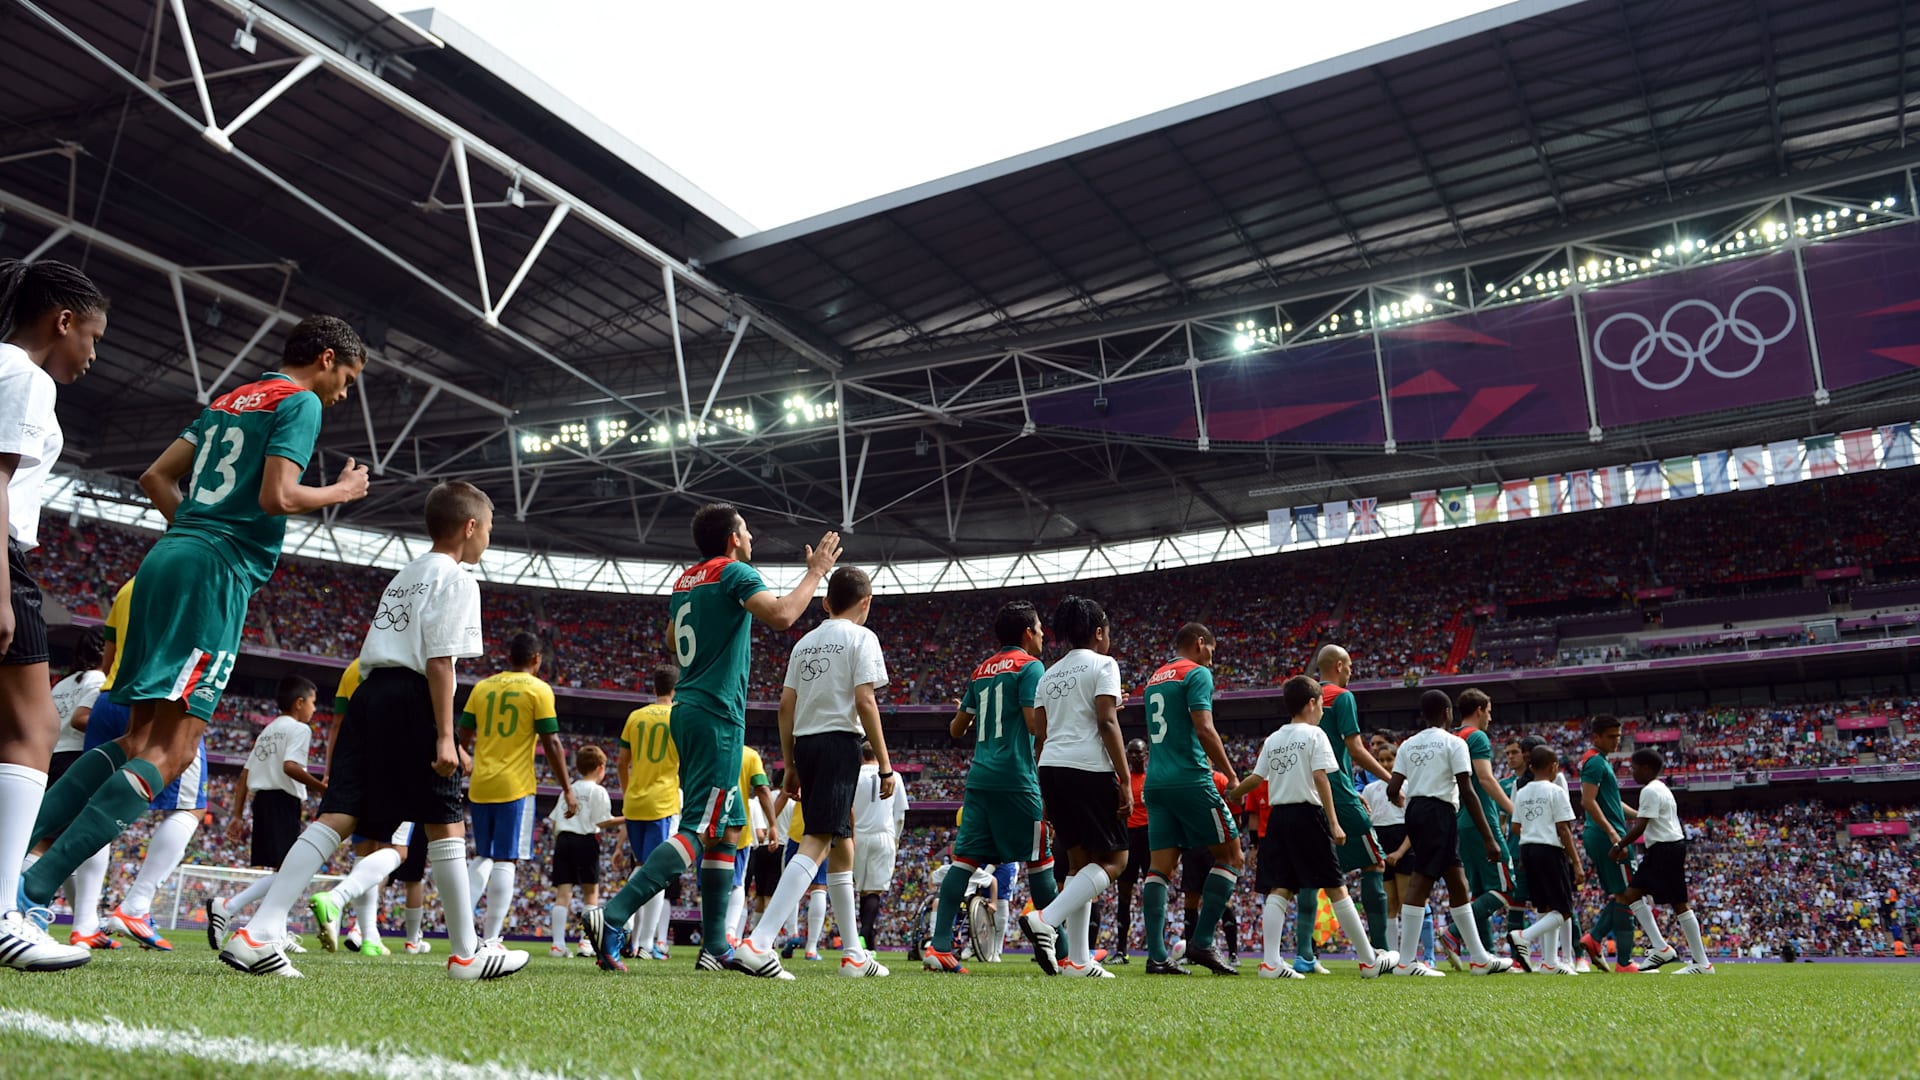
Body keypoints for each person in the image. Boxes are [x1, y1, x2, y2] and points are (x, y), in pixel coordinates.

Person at [21, 315, 367, 947]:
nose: (343, 394)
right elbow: (278, 498)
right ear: (325, 359)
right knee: (174, 751)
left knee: (136, 740)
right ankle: (32, 891)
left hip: (165, 558)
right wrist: (341, 490)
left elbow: (155, 477)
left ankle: (10, 866)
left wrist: (196, 530)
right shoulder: (300, 404)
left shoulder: (231, 398)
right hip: (211, 576)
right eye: (346, 379)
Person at [222, 481, 520, 980]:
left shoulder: (405, 574)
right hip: (412, 696)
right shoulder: (458, 578)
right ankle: (467, 954)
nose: (488, 538)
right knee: (444, 816)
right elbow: (441, 662)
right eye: (489, 528)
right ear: (470, 528)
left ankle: (259, 930)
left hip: (368, 693)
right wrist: (446, 736)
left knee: (339, 811)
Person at [584, 504, 841, 976]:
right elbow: (783, 616)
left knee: (727, 828)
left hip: (688, 707)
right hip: (716, 713)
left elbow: (669, 638)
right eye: (745, 530)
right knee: (702, 828)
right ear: (732, 540)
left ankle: (716, 946)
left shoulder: (686, 579)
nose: (750, 538)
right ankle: (613, 915)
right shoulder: (734, 572)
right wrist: (816, 573)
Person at [0, 258, 109, 971]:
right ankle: (4, 913)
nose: (93, 356)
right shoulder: (27, 376)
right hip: (2, 556)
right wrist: (2, 591)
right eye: (92, 338)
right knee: (33, 728)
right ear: (61, 321)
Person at [740, 566, 893, 979]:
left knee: (843, 844)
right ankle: (759, 941)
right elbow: (865, 700)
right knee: (818, 840)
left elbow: (785, 706)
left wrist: (790, 763)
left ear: (825, 602)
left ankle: (853, 955)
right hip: (839, 742)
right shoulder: (863, 638)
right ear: (866, 602)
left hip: (806, 743)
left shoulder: (804, 643)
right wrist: (885, 764)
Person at [1231, 675, 1397, 980]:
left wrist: (1233, 793)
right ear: (1311, 703)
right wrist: (1334, 822)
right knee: (1336, 886)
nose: (1322, 710)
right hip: (1309, 815)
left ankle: (1270, 962)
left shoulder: (1274, 738)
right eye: (1321, 704)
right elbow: (1322, 779)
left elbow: (1256, 779)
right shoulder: (1316, 735)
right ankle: (1369, 960)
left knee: (1278, 889)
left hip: (1279, 819)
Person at [924, 600, 1058, 974]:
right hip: (1016, 778)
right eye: (1040, 627)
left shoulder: (981, 671)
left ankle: (939, 948)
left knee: (963, 862)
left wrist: (977, 713)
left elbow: (955, 729)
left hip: (979, 778)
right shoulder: (1031, 667)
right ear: (1027, 633)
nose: (1044, 634)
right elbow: (1034, 725)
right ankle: (1063, 951)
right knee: (1039, 862)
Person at [1020, 596, 1130, 979]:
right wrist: (1127, 779)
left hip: (1051, 768)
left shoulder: (1048, 674)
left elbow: (1041, 735)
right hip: (1088, 768)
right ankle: (1046, 919)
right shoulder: (1105, 665)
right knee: (1116, 861)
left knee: (1080, 864)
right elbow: (1106, 723)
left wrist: (1043, 790)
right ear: (1099, 632)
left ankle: (1079, 961)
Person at [450, 631, 574, 948]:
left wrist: (461, 759)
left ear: (509, 658)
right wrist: (567, 789)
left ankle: (461, 927)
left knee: (483, 856)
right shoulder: (539, 690)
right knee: (507, 860)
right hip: (514, 787)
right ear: (536, 659)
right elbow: (552, 742)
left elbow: (461, 736)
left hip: (479, 784)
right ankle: (492, 938)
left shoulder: (483, 687)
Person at [1384, 690, 1513, 976]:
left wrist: (1407, 801)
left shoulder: (1408, 744)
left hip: (1416, 810)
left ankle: (1479, 957)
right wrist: (1489, 838)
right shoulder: (1454, 743)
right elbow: (1467, 791)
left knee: (1458, 883)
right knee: (1421, 881)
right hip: (1439, 812)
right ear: (1447, 712)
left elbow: (1392, 789)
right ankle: (1406, 962)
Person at [1138, 623, 1243, 976]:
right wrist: (1230, 773)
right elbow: (1204, 727)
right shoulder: (1196, 673)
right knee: (1231, 856)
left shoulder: (1155, 677)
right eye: (1212, 649)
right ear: (1200, 644)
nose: (1213, 658)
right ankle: (1201, 942)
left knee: (1159, 869)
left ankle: (1156, 956)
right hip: (1191, 780)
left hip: (1155, 783)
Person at [1294, 644, 1393, 974]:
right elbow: (1355, 748)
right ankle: (1381, 950)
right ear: (1338, 665)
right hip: (1336, 789)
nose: (1351, 671)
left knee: (1311, 875)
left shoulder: (1304, 696)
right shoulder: (1342, 696)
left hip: (1305, 792)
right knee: (1375, 862)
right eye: (1349, 665)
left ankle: (1304, 956)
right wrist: (1391, 779)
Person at [210, 675, 327, 948]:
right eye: (313, 702)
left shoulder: (269, 729)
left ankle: (277, 932)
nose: (314, 709)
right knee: (289, 871)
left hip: (262, 799)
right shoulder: (300, 729)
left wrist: (237, 815)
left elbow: (244, 775)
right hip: (282, 800)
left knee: (284, 869)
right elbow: (291, 767)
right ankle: (228, 906)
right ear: (299, 703)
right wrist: (321, 788)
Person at [1613, 749, 1713, 975]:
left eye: (1635, 767)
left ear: (1646, 768)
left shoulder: (1649, 790)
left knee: (1639, 896)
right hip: (1671, 847)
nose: (1633, 772)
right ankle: (1691, 958)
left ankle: (1680, 954)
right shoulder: (1661, 789)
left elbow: (1641, 825)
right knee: (1670, 901)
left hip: (1663, 849)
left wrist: (1619, 845)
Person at [1443, 689, 1517, 966]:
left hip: (1459, 821)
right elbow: (1485, 779)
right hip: (1481, 819)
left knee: (1479, 892)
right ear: (1480, 709)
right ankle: (1452, 932)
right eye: (1489, 710)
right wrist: (1514, 810)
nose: (1491, 716)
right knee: (1504, 887)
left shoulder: (1451, 738)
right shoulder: (1477, 737)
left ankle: (1483, 955)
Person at [614, 665, 681, 965]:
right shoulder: (678, 717)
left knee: (641, 868)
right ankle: (644, 943)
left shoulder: (634, 716)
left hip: (636, 803)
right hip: (662, 804)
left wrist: (629, 793)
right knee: (657, 875)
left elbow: (621, 763)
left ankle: (629, 934)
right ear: (676, 689)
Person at [1505, 745, 1583, 975]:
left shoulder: (1522, 791)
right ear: (1554, 767)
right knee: (1564, 909)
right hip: (1550, 850)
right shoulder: (1556, 791)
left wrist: (1533, 833)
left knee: (1545, 907)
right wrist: (1576, 862)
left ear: (1530, 766)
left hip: (1527, 850)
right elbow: (1564, 829)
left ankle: (1549, 962)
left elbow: (1516, 827)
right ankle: (1524, 937)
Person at [548, 745, 621, 957]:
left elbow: (554, 822)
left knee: (563, 894)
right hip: (586, 841)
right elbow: (603, 821)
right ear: (601, 768)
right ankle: (585, 942)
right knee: (591, 894)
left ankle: (557, 944)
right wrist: (627, 818)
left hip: (563, 840)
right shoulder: (597, 791)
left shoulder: (568, 789)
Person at [1579, 715, 1637, 973]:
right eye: (1612, 737)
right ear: (1596, 737)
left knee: (1624, 893)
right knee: (1629, 893)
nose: (1617, 741)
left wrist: (1640, 815)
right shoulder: (1594, 762)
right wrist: (1614, 834)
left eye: (1618, 736)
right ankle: (1623, 961)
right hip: (1606, 836)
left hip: (1603, 835)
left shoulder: (1600, 761)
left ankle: (1595, 938)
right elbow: (1588, 801)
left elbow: (1610, 801)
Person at [851, 738, 909, 952]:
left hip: (857, 837)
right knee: (873, 891)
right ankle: (864, 934)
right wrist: (895, 839)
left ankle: (866, 939)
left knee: (860, 890)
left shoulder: (853, 775)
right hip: (883, 835)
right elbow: (900, 815)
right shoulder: (895, 776)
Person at [48, 630, 107, 786]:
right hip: (76, 756)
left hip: (51, 755)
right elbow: (80, 720)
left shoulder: (62, 683)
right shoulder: (100, 680)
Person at [1113, 738, 1149, 965]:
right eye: (1131, 753)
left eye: (1139, 753)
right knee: (1123, 895)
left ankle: (1157, 948)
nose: (1135, 756)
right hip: (1127, 838)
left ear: (1146, 755)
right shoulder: (1121, 780)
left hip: (1148, 837)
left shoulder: (1153, 777)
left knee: (1154, 892)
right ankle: (1121, 950)